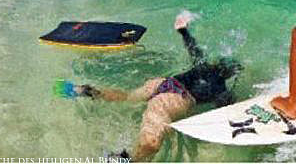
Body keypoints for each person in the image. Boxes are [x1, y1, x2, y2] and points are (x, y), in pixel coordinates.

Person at [57, 12, 242, 161]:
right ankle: (125, 160)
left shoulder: (203, 65)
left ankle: (83, 90)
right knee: (152, 143)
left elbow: (193, 47)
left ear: (217, 65)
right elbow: (227, 112)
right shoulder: (221, 90)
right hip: (173, 100)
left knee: (126, 97)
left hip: (162, 83)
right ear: (228, 74)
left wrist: (183, 30)